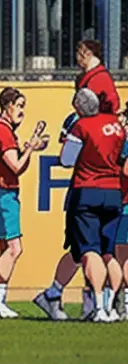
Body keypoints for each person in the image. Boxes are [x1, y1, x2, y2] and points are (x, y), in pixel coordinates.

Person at [56, 88, 126, 322]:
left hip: (87, 190)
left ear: (78, 109)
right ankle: (112, 306)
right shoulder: (116, 125)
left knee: (89, 250)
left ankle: (98, 307)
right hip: (114, 192)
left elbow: (67, 159)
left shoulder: (82, 127)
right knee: (109, 252)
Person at [0, 87, 48, 318]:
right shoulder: (1, 132)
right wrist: (30, 147)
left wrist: (30, 147)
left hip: (1, 192)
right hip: (2, 194)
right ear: (7, 106)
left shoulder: (3, 131)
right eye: (19, 106)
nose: (22, 112)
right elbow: (16, 166)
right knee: (14, 248)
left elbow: (17, 165)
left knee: (6, 248)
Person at [75, 40, 120, 115]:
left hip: (98, 121)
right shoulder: (87, 76)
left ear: (88, 54)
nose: (77, 58)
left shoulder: (99, 78)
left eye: (79, 54)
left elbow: (111, 104)